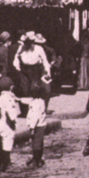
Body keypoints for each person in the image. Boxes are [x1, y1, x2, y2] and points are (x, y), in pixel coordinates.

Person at [14, 32, 52, 169]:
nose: (28, 44)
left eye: (30, 42)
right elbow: (15, 61)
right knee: (27, 97)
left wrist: (46, 73)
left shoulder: (38, 49)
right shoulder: (21, 49)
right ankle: (30, 116)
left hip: (36, 72)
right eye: (26, 42)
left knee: (37, 97)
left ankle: (38, 115)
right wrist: (20, 71)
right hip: (25, 73)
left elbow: (46, 62)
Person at [0, 76, 20, 172]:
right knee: (7, 145)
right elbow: (12, 113)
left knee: (2, 144)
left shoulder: (1, 98)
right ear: (11, 87)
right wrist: (14, 119)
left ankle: (2, 162)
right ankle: (4, 164)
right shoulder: (8, 99)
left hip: (1, 123)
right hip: (8, 125)